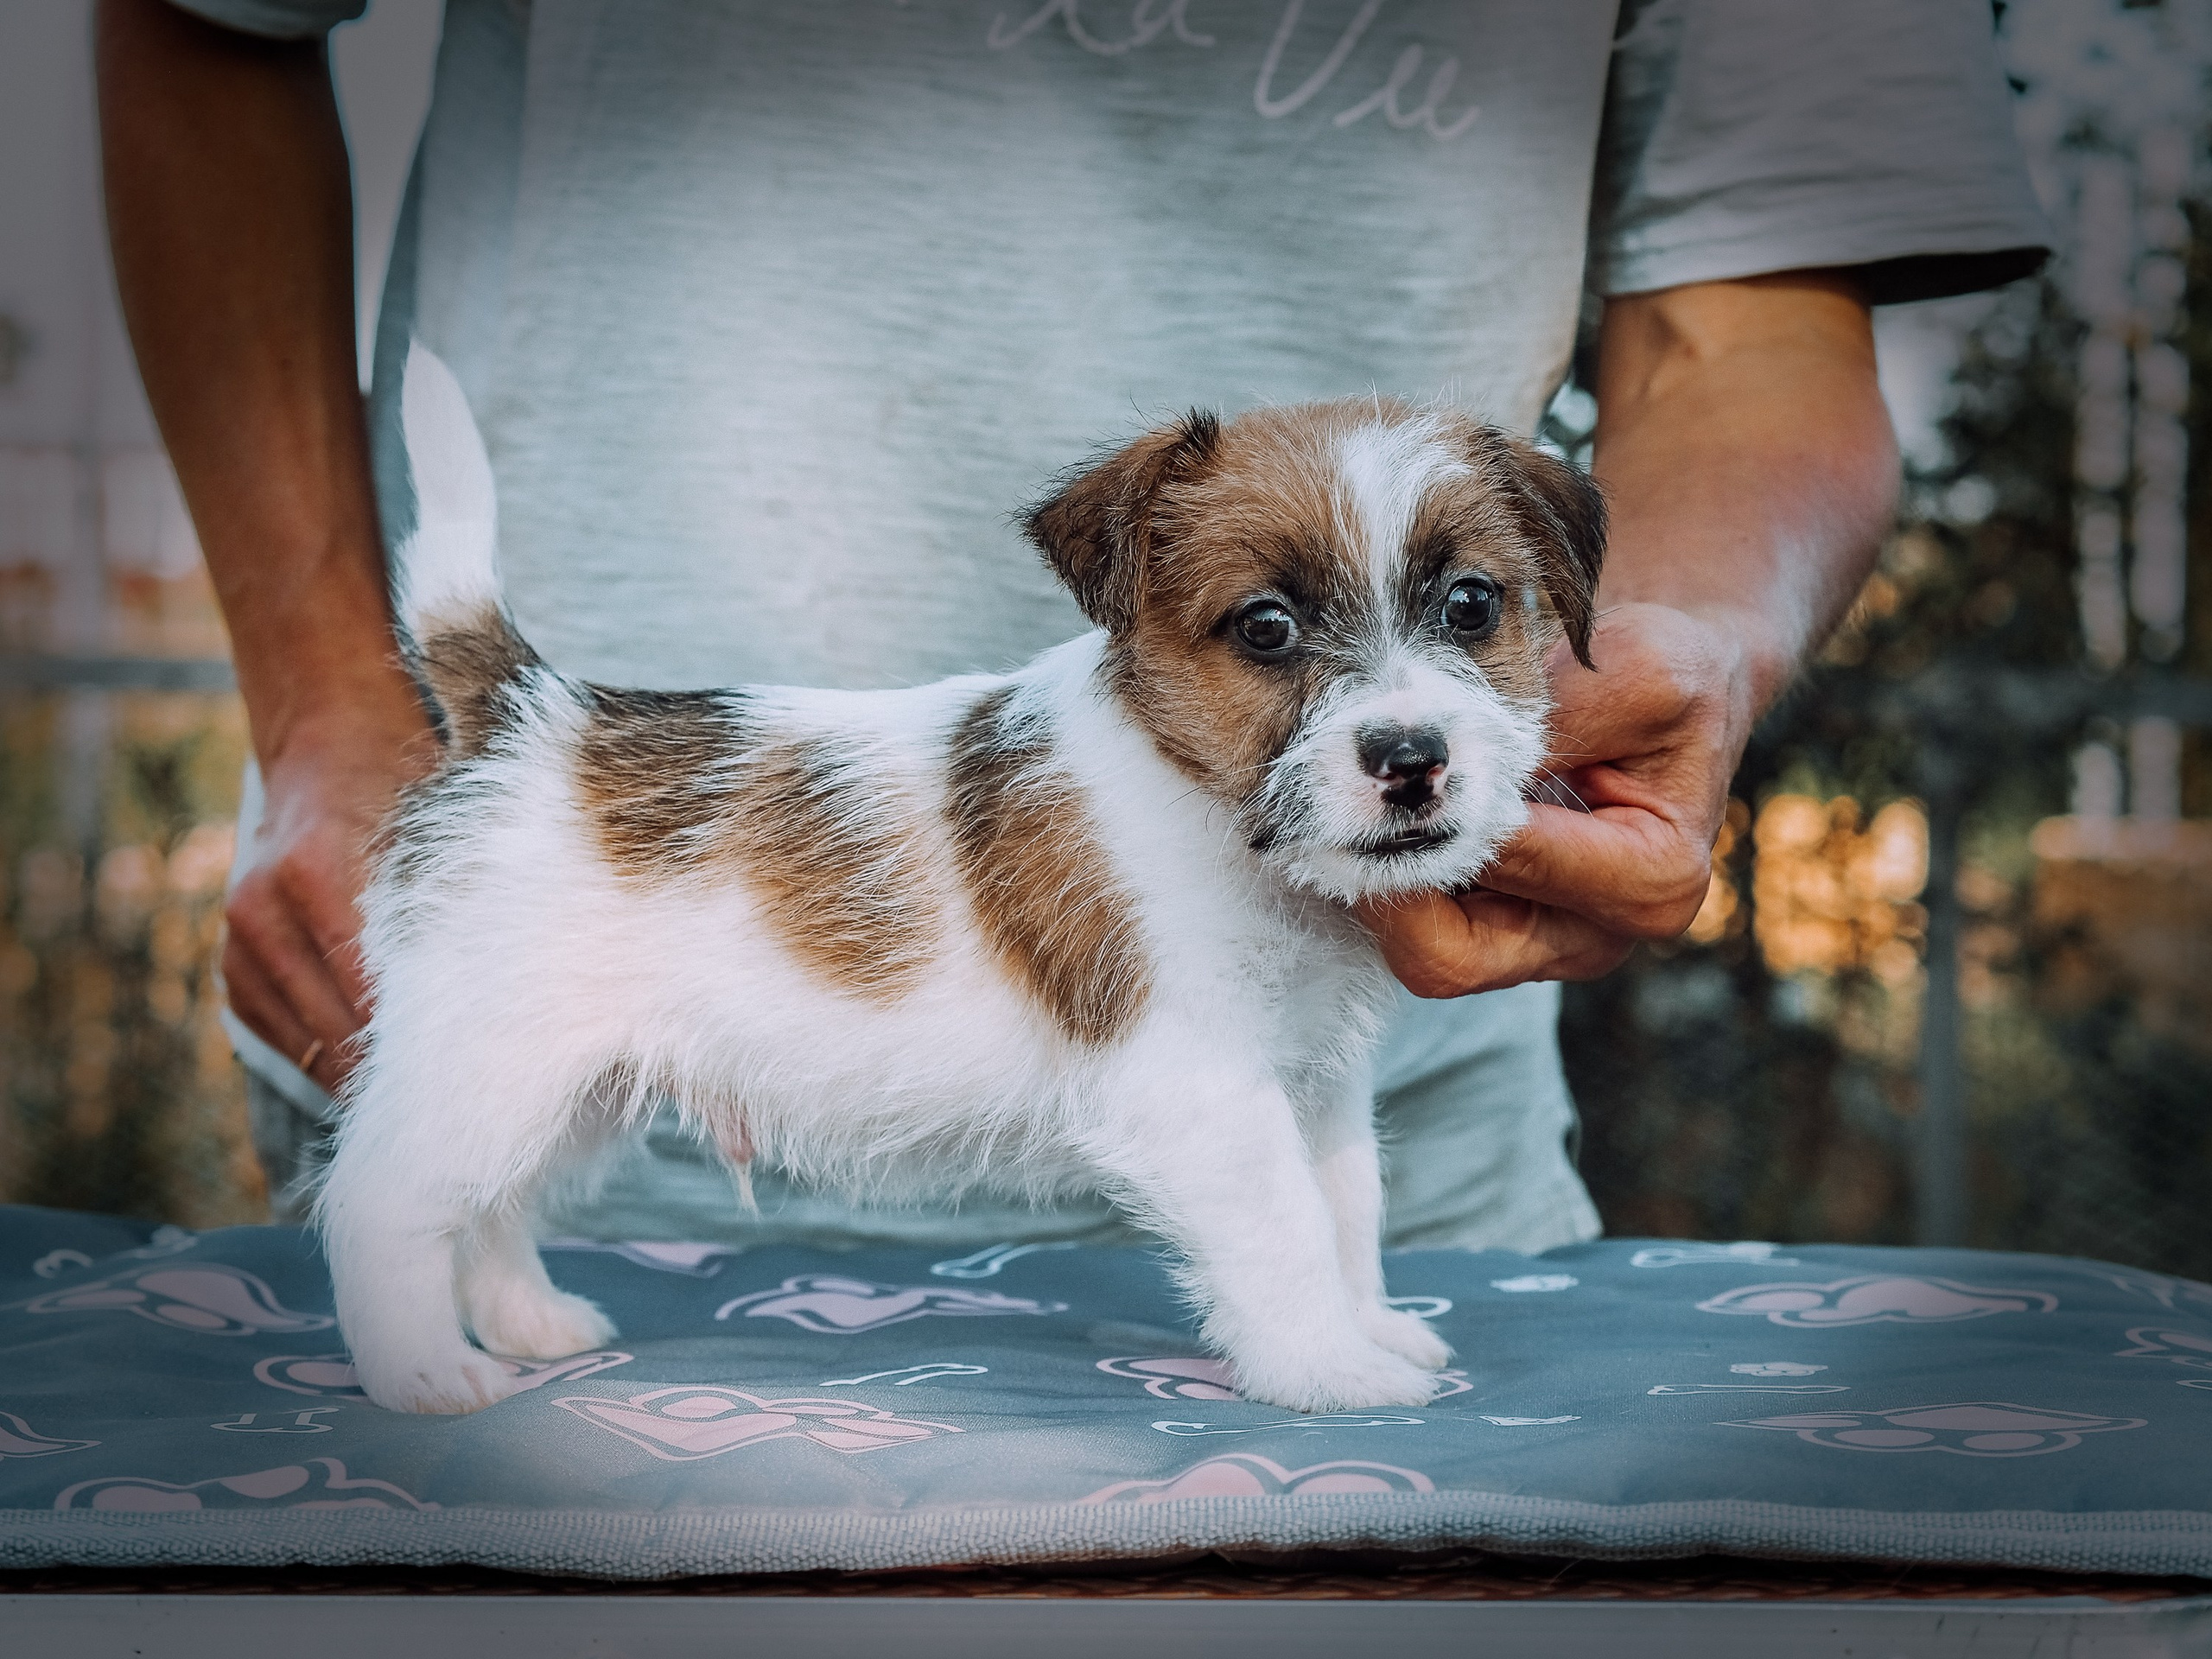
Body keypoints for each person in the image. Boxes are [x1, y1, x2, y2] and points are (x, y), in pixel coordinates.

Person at [99, 0, 2048, 1249]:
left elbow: (1750, 308)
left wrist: (1681, 633)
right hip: (603, 938)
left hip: (1413, 1092)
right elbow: (203, 23)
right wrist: (317, 709)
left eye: (1474, 607)